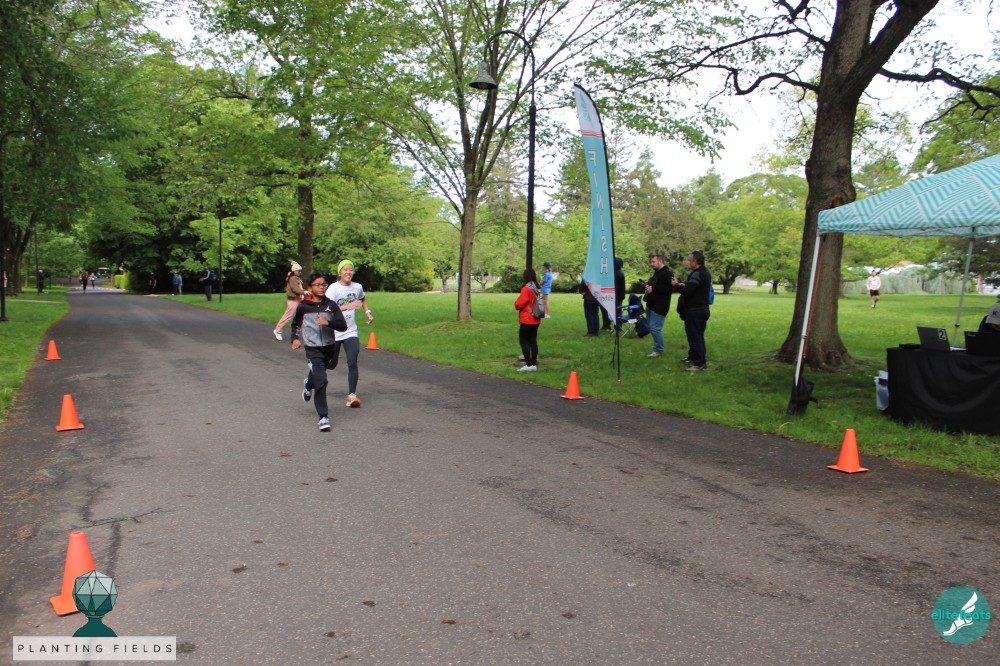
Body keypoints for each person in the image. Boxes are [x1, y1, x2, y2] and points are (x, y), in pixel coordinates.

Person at [291, 272, 348, 431]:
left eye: (324, 284)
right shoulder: (303, 307)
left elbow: (342, 326)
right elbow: (296, 324)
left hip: (329, 347)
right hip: (312, 348)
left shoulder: (331, 305)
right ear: (310, 288)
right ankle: (323, 417)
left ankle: (308, 384)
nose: (322, 287)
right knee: (322, 380)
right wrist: (294, 339)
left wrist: (328, 323)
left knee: (319, 374)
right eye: (318, 285)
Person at [325, 259, 373, 408]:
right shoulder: (333, 289)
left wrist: (367, 312)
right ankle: (315, 372)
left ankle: (352, 395)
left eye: (351, 269)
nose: (348, 272)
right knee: (331, 364)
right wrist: (348, 306)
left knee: (352, 362)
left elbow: (362, 298)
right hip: (334, 331)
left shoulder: (357, 287)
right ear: (340, 272)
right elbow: (328, 310)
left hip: (350, 330)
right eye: (345, 269)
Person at [672, 250, 712, 371]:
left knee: (695, 337)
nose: (687, 262)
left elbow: (688, 292)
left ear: (696, 262)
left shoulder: (697, 274)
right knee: (697, 335)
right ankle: (693, 357)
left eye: (689, 260)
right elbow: (695, 288)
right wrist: (685, 284)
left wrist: (676, 285)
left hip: (695, 311)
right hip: (703, 309)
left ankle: (699, 363)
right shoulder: (705, 273)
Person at [642, 254, 674, 357]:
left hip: (660, 306)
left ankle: (659, 350)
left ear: (660, 261)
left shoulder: (667, 273)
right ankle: (657, 347)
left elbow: (668, 288)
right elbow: (654, 284)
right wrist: (647, 285)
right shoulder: (657, 273)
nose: (651, 264)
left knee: (655, 328)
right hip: (651, 304)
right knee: (652, 327)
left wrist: (653, 288)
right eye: (651, 261)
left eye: (653, 261)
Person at [514, 268, 542, 371]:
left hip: (527, 319)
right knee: (533, 341)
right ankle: (533, 364)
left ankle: (528, 365)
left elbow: (519, 304)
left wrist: (515, 303)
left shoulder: (526, 289)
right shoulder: (536, 288)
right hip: (536, 318)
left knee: (524, 341)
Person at [274, 262, 305, 341]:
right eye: (298, 271)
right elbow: (295, 289)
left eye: (300, 271)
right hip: (293, 300)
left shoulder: (296, 278)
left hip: (298, 299)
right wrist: (304, 292)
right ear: (294, 271)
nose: (300, 272)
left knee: (304, 316)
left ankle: (307, 332)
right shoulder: (292, 278)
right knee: (288, 316)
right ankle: (278, 330)